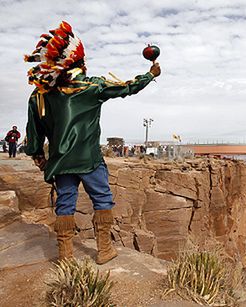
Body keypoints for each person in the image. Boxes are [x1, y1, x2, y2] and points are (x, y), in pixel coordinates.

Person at [24, 21, 161, 264]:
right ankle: (104, 250)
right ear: (79, 60)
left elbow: (34, 132)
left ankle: (65, 256)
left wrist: (39, 157)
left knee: (65, 202)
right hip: (89, 159)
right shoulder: (91, 86)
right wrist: (150, 74)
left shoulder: (39, 94)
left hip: (61, 162)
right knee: (102, 199)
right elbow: (128, 87)